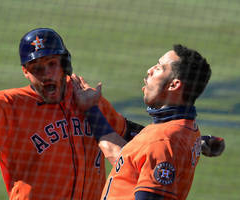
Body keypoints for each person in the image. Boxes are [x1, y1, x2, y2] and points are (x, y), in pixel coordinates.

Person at [0, 1, 224, 199]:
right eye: (37, 68)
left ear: (65, 64)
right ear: (25, 72)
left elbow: (129, 135)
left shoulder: (83, 98)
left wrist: (192, 142)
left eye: (53, 64)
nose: (47, 75)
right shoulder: (12, 107)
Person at [72, 44, 223, 200]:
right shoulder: (185, 128)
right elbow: (125, 160)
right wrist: (91, 109)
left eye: (159, 68)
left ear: (174, 85)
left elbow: (156, 150)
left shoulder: (162, 141)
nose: (149, 70)